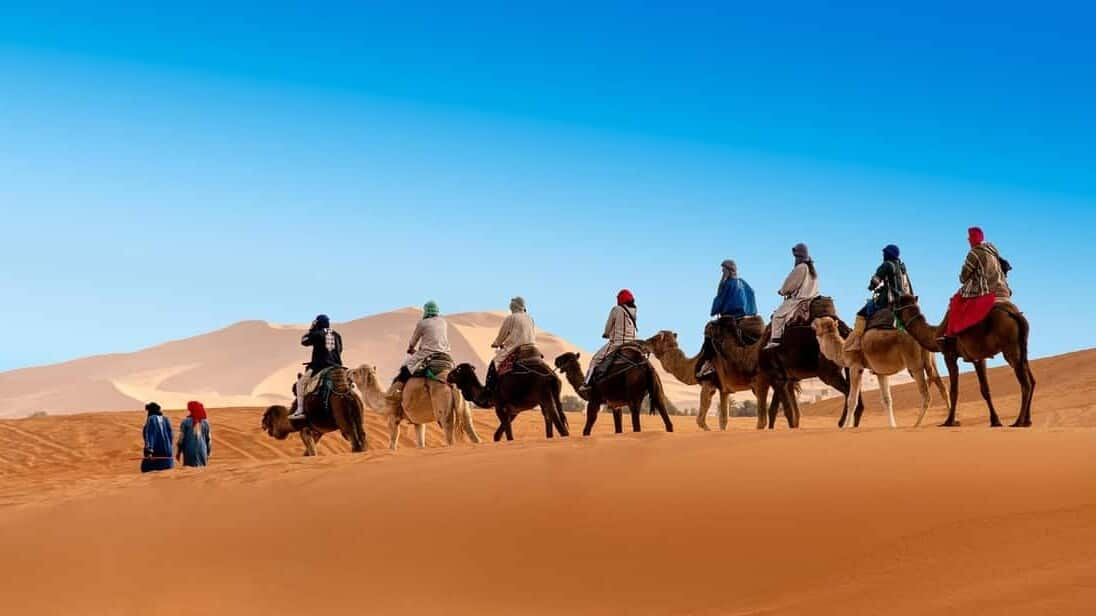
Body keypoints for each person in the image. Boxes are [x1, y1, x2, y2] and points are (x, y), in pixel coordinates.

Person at [940, 227, 1013, 345]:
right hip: (1004, 290)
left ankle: (950, 337)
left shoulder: (974, 253)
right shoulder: (992, 250)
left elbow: (963, 277)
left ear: (972, 239)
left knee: (956, 302)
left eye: (970, 237)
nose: (969, 240)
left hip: (988, 290)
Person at [844, 244, 912, 352]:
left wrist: (871, 286)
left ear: (888, 254)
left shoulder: (886, 265)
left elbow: (876, 279)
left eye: (885, 253)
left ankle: (857, 342)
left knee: (861, 314)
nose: (883, 255)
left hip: (888, 300)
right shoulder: (902, 267)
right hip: (902, 300)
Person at [386, 301, 451, 410]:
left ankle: (396, 392)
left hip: (428, 353)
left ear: (426, 311)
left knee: (406, 368)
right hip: (445, 354)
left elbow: (413, 340)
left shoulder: (423, 323)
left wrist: (411, 348)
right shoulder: (443, 322)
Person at [698, 260, 758, 377]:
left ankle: (708, 362)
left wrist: (716, 308)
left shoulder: (728, 283)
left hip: (730, 317)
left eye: (723, 270)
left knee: (709, 329)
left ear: (728, 270)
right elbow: (751, 293)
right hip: (743, 316)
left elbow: (720, 297)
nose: (722, 272)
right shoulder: (742, 282)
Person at [582, 289, 638, 394]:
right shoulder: (634, 311)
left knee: (595, 359)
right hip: (633, 344)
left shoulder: (616, 309)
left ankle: (586, 383)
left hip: (617, 343)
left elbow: (609, 326)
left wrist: (606, 334)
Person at [766, 243, 820, 350]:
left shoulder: (801, 267)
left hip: (800, 300)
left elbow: (789, 286)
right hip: (812, 298)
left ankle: (775, 340)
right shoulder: (812, 270)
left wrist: (782, 291)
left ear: (798, 256)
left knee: (777, 316)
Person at [292, 314, 344, 419]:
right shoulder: (337, 335)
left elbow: (304, 341)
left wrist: (311, 329)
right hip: (337, 366)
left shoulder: (317, 334)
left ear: (318, 323)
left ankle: (300, 410)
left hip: (320, 366)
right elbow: (340, 350)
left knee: (300, 384)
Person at [485, 296, 537, 393]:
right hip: (532, 348)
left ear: (514, 306)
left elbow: (502, 334)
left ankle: (489, 391)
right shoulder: (530, 318)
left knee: (494, 363)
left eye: (512, 303)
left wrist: (496, 344)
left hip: (515, 348)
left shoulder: (511, 318)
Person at [176, 400, 212, 468]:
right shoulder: (205, 423)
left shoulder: (185, 422)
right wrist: (208, 452)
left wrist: (178, 452)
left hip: (189, 451)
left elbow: (181, 439)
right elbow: (209, 440)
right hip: (202, 451)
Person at [140, 402, 174, 473]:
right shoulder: (166, 419)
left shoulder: (151, 419)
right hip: (168, 455)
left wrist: (149, 451)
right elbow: (171, 436)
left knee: (145, 468)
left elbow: (150, 435)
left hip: (156, 455)